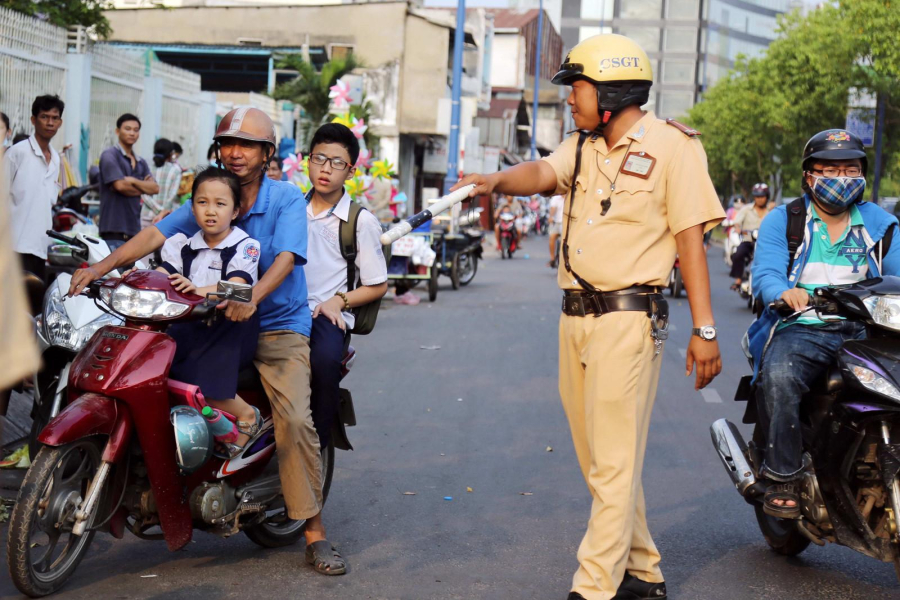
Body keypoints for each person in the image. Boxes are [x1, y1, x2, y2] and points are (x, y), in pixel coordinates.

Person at [453, 34, 724, 600]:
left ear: (611, 91)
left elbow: (691, 240)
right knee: (603, 460)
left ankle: (594, 587)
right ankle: (644, 571)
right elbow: (543, 174)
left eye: (576, 88)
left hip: (629, 319)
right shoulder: (583, 144)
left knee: (614, 460)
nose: (569, 100)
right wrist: (498, 180)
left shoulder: (675, 148)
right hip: (574, 317)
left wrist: (705, 330)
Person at [67, 106, 335, 575]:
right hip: (204, 318)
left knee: (293, 417)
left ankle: (314, 532)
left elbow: (288, 258)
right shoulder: (210, 192)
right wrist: (99, 268)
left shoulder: (287, 199)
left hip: (275, 325)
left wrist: (252, 296)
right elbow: (154, 234)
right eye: (228, 144)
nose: (235, 153)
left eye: (247, 145)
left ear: (266, 152)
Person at [748, 129, 900, 518]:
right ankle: (783, 474)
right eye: (829, 170)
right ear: (808, 176)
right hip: (804, 327)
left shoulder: (882, 225)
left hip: (868, 331)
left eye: (850, 169)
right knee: (780, 375)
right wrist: (784, 293)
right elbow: (766, 274)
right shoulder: (784, 221)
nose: (841, 178)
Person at [303, 122, 387, 511]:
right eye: (319, 158)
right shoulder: (290, 208)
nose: (325, 168)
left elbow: (377, 284)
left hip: (326, 317)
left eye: (336, 162)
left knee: (323, 364)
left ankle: (314, 453)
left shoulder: (360, 221)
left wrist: (338, 301)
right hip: (283, 312)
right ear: (307, 161)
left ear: (350, 171)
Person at [155, 167, 262, 455]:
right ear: (192, 208)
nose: (210, 211)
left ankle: (247, 415)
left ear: (235, 210)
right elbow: (160, 276)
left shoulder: (245, 246)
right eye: (202, 202)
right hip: (187, 325)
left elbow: (239, 289)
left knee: (192, 375)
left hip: (229, 328)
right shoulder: (181, 246)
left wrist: (194, 289)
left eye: (220, 203)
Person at [4, 95, 65, 280]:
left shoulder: (56, 159)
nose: (50, 123)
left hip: (39, 248)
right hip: (12, 246)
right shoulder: (17, 153)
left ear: (60, 122)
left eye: (55, 118)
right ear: (33, 120)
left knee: (32, 305)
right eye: (44, 117)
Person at [98, 113, 158, 251]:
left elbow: (155, 188)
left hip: (134, 230)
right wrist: (143, 187)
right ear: (117, 131)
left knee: (130, 272)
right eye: (127, 129)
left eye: (136, 130)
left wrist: (131, 180)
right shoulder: (109, 155)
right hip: (113, 228)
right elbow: (120, 185)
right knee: (115, 273)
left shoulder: (141, 162)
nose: (132, 133)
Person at [729, 183, 771, 290]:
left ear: (767, 197)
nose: (760, 199)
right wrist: (738, 228)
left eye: (762, 196)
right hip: (748, 240)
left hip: (765, 243)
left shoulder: (771, 211)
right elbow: (737, 222)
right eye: (757, 197)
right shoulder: (746, 209)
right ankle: (738, 279)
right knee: (738, 254)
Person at [141, 138, 182, 229]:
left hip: (146, 215)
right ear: (170, 153)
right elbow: (172, 195)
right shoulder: (175, 170)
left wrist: (157, 209)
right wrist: (162, 211)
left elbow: (143, 193)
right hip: (165, 217)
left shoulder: (147, 168)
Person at [548, 193, 564, 266]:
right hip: (557, 223)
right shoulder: (555, 198)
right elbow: (553, 209)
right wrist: (551, 217)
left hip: (568, 223)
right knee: (552, 237)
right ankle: (552, 258)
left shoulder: (572, 196)